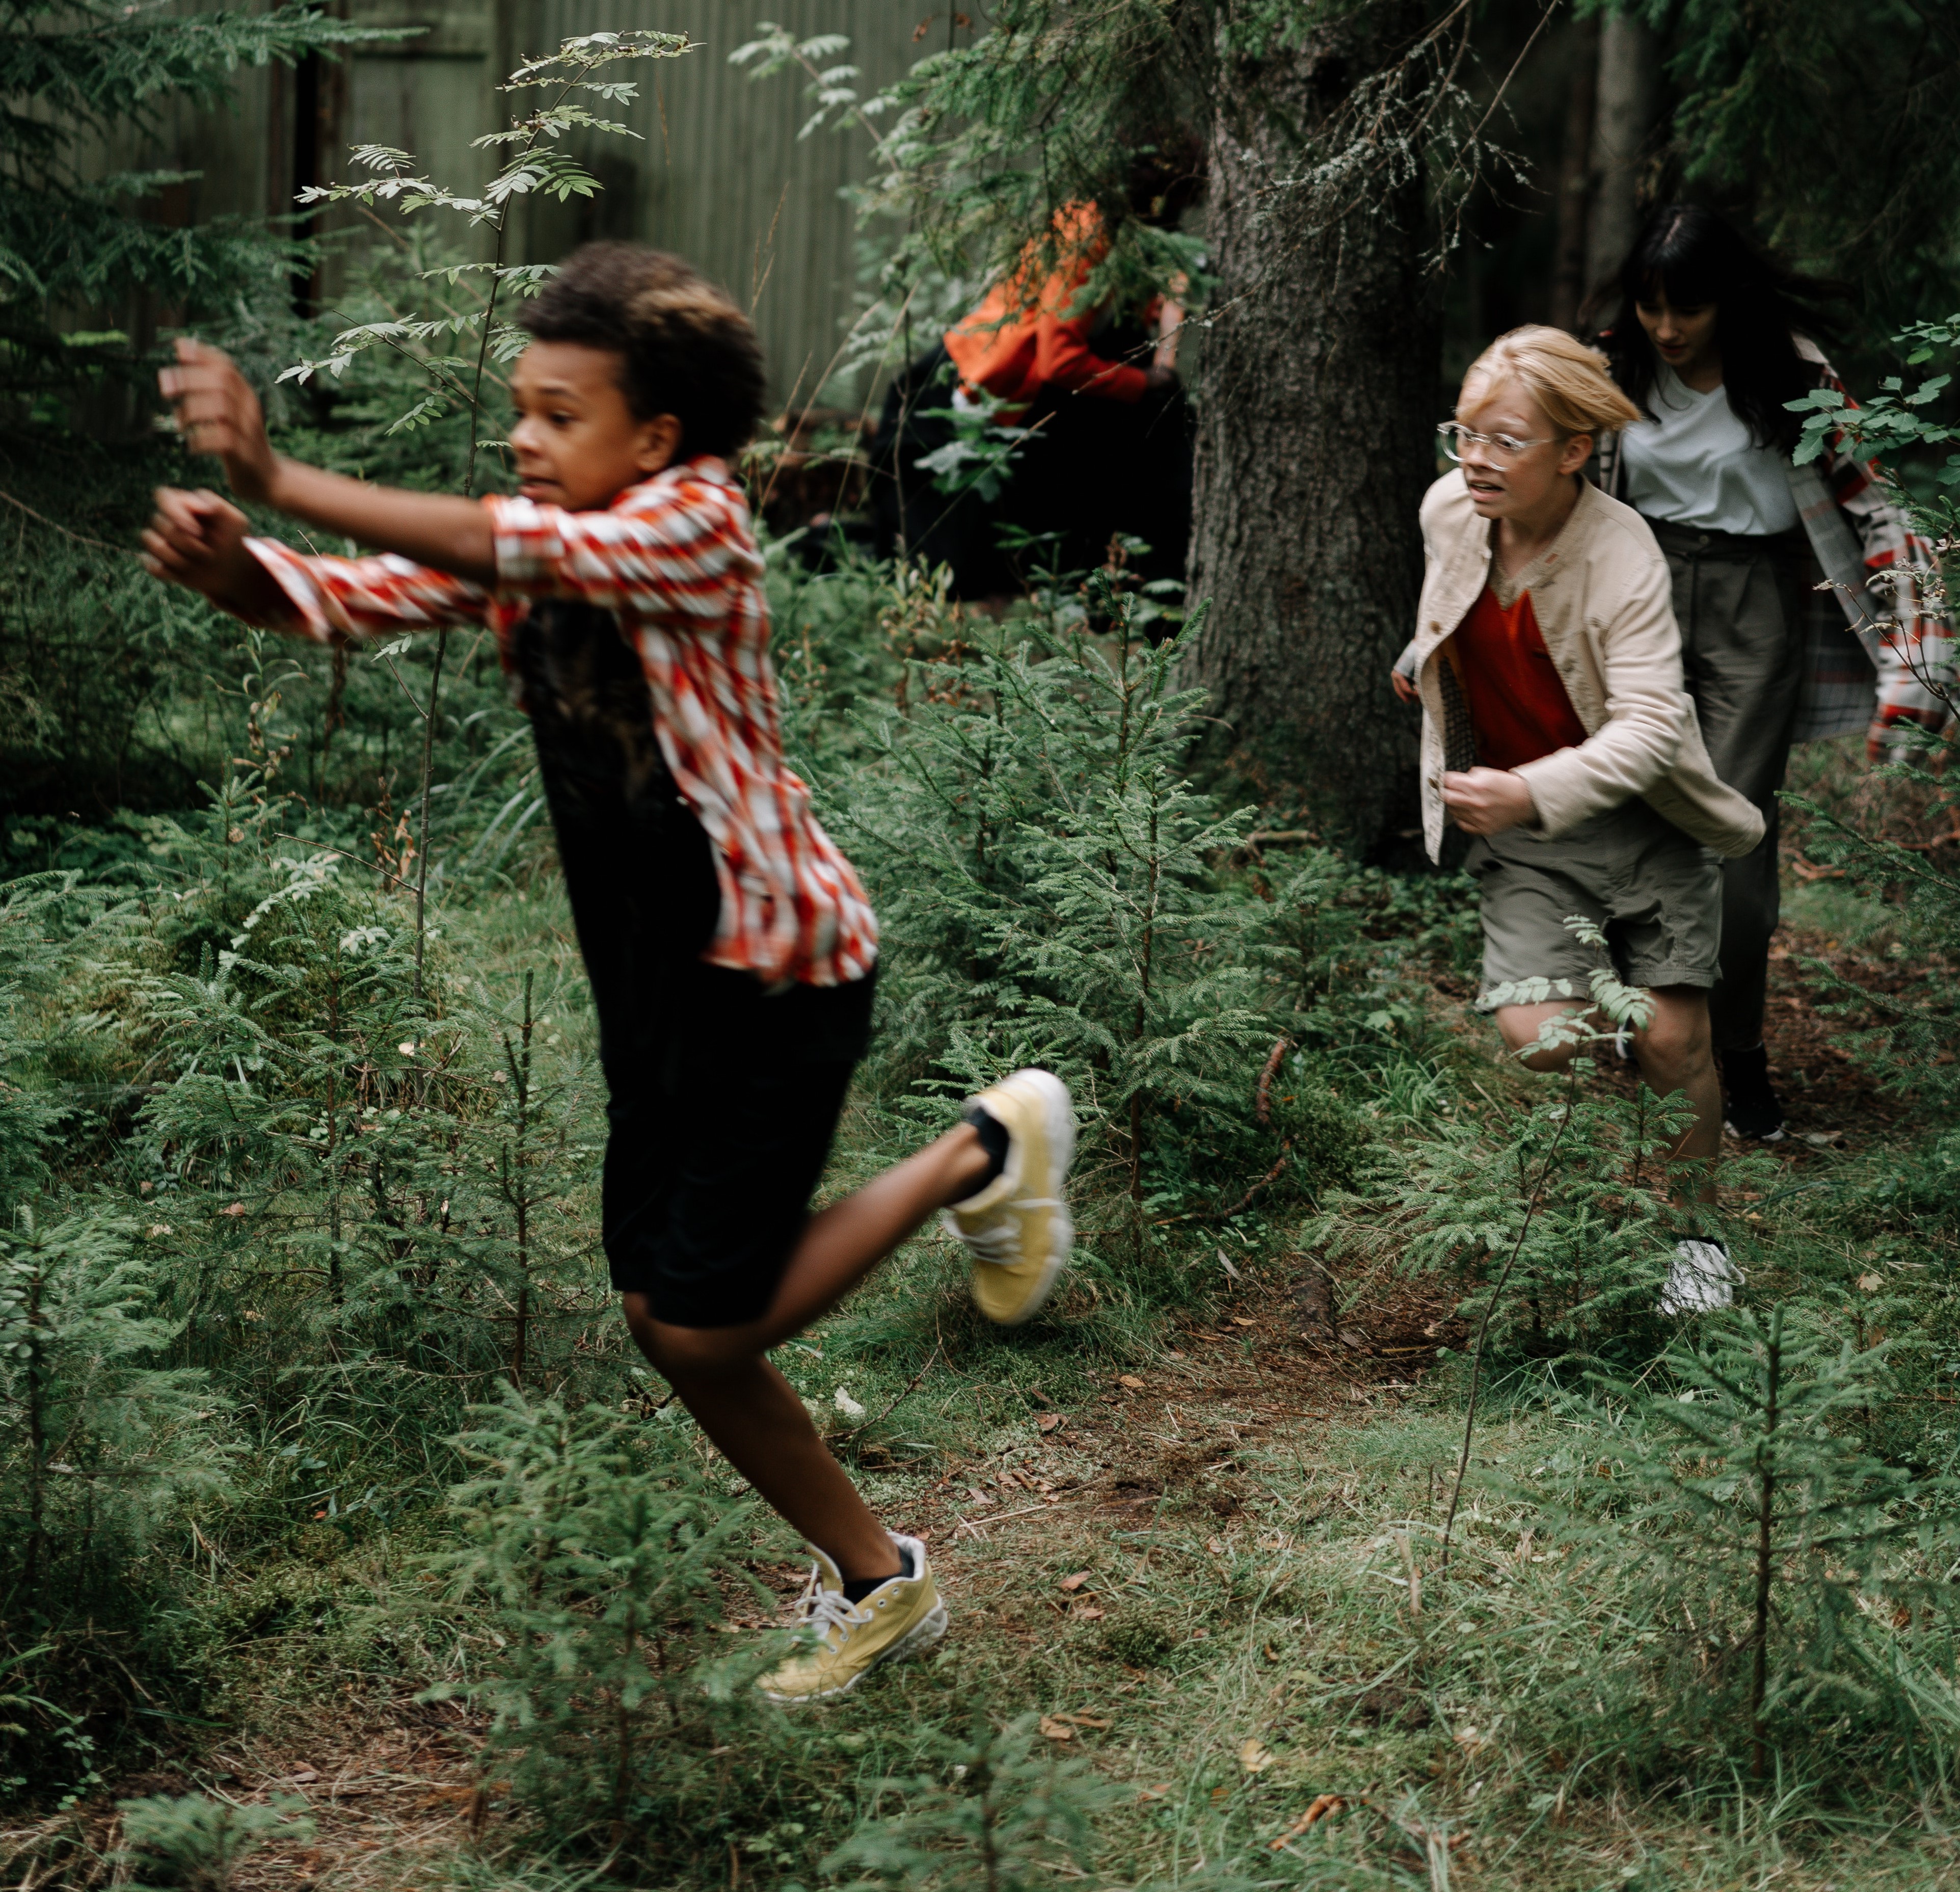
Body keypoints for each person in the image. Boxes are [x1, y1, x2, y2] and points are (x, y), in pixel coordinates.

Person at [139, 243, 1080, 1703]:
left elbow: (520, 550)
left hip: (777, 981)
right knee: (668, 1324)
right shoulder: (540, 536)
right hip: (660, 996)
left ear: (653, 436)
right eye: (520, 406)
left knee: (709, 1319)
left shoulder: (692, 522)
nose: (524, 436)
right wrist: (239, 571)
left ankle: (983, 1146)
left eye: (559, 412)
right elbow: (341, 599)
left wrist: (277, 474)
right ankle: (880, 1582)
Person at [1394, 326, 1766, 1314]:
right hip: (1532, 841)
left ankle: (1694, 1237)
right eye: (1464, 433)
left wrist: (1531, 788)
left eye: (1504, 439)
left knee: (1674, 1043)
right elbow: (1450, 609)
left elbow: (1648, 728)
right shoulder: (1448, 509)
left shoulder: (1621, 552)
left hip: (1646, 825)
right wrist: (1422, 664)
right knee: (1542, 1033)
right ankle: (1604, 1178)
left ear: (1572, 451)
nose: (1475, 457)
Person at [1590, 203, 1953, 1141]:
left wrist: (1922, 649)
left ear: (1728, 299)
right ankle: (1650, 1030)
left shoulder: (1787, 370)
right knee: (1633, 817)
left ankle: (1738, 1052)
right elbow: (1538, 484)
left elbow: (1877, 505)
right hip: (1635, 597)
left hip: (1756, 611)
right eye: (1649, 306)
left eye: (1687, 308)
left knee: (1730, 840)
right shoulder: (1610, 365)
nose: (1666, 329)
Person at [870, 162, 1198, 598]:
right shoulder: (1090, 231)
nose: (1178, 218)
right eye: (1175, 203)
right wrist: (1145, 383)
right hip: (968, 385)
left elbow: (1132, 315)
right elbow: (1057, 360)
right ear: (1153, 198)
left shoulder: (1130, 241)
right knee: (944, 559)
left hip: (1019, 399)